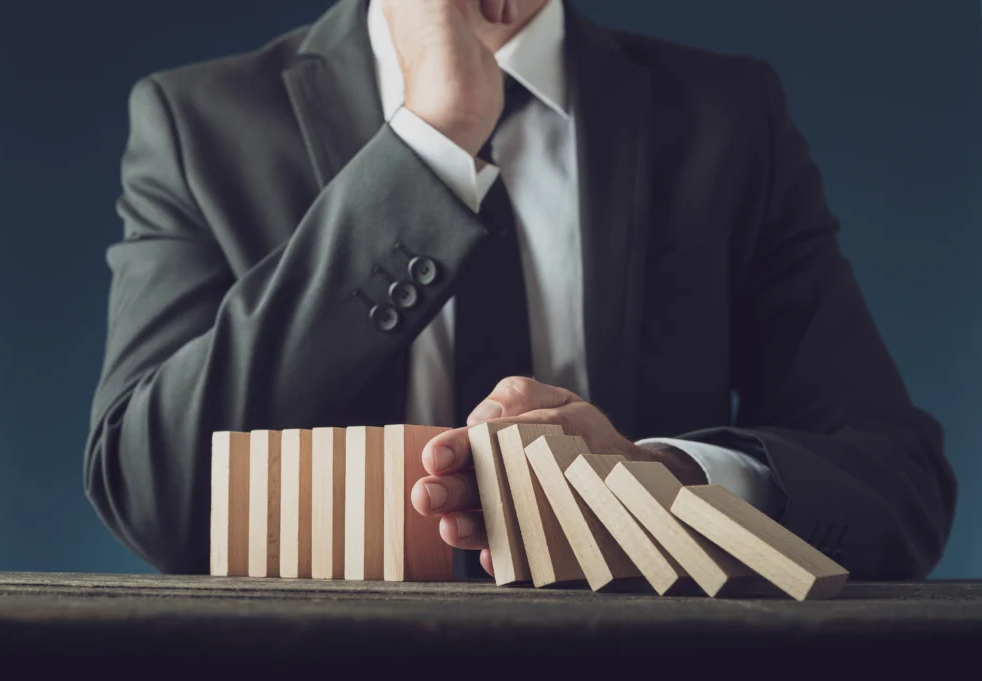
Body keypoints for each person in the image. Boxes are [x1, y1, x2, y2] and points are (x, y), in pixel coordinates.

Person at [85, 0, 956, 579]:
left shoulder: (728, 117)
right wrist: (430, 142)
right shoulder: (199, 122)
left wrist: (663, 484)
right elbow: (156, 494)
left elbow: (896, 482)